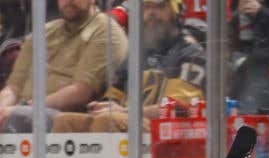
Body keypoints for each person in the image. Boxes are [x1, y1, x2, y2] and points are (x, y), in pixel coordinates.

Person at [52, 0, 204, 133]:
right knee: (65, 121)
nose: (151, 13)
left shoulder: (190, 54)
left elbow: (177, 109)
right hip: (126, 119)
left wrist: (124, 112)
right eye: (146, 7)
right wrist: (99, 106)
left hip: (167, 129)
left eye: (159, 7)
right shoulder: (136, 54)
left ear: (176, 12)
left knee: (108, 120)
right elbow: (112, 98)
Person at [0, 0, 128, 132]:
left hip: (67, 118)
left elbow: (82, 92)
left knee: (18, 120)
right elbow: (13, 88)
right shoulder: (42, 32)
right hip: (21, 113)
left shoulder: (106, 31)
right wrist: (3, 108)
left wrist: (23, 108)